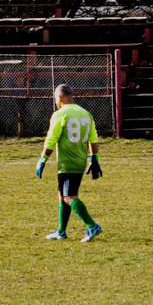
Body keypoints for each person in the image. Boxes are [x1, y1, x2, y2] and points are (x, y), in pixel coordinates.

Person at [36, 83, 103, 241]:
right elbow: (93, 137)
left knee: (69, 196)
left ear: (59, 97)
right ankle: (61, 231)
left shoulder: (60, 114)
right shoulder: (86, 113)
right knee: (62, 195)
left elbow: (51, 140)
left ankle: (92, 226)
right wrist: (94, 159)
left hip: (67, 162)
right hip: (80, 161)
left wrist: (42, 159)